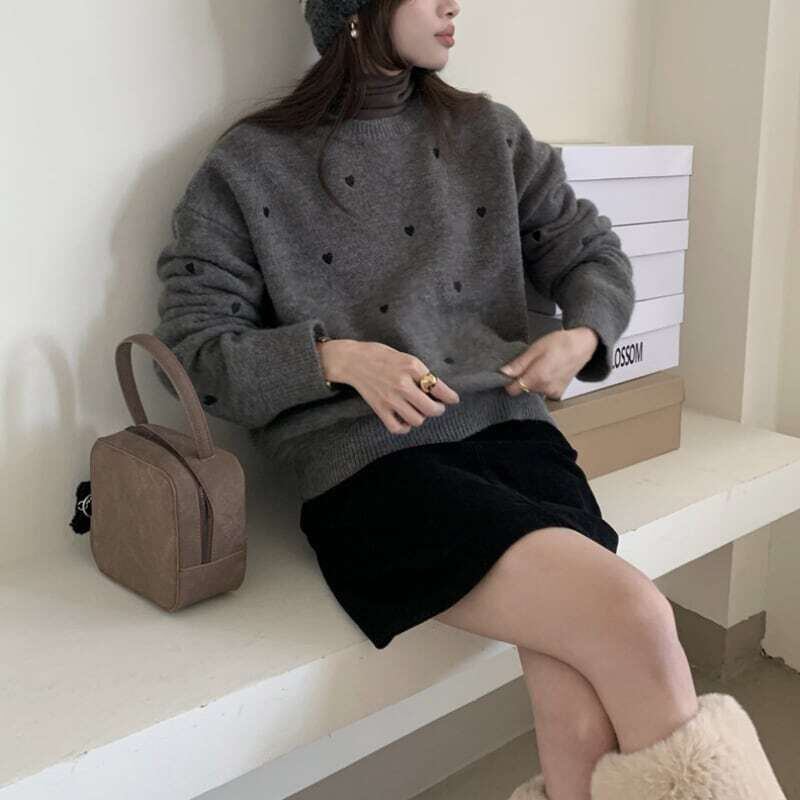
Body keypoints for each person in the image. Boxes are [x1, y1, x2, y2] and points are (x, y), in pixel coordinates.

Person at [151, 2, 787, 798]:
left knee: (579, 710)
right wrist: (335, 358)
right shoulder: (250, 165)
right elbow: (193, 351)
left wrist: (583, 334)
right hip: (368, 468)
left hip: (512, 434)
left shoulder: (490, 134)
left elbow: (590, 249)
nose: (455, 3)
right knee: (637, 619)